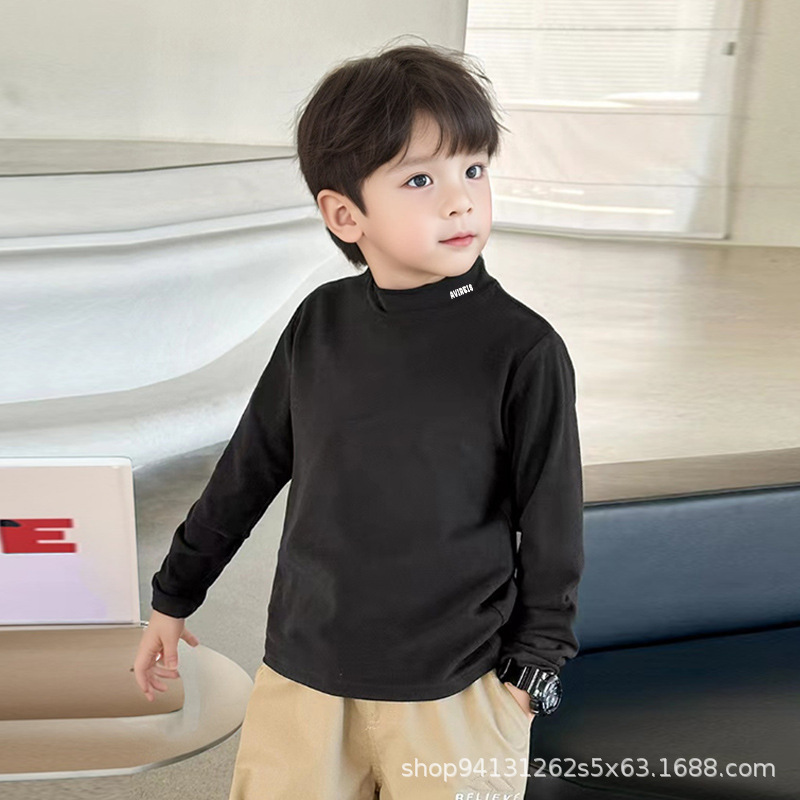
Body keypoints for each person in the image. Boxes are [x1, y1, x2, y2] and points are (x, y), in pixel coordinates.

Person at [134, 38, 585, 800]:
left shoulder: (524, 350)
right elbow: (247, 472)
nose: (460, 200)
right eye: (420, 179)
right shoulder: (319, 325)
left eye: (474, 170)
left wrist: (531, 673)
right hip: (303, 677)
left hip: (458, 690)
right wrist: (174, 595)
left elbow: (553, 527)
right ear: (345, 214)